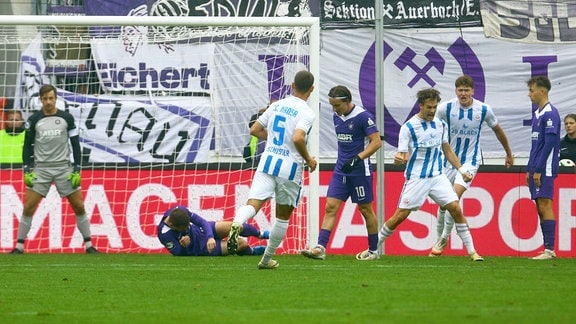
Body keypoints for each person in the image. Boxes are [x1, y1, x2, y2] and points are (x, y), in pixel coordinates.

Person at [376, 88, 483, 261]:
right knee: (400, 216)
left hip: (437, 176)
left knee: (455, 208)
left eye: (434, 107)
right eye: (429, 107)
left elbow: (447, 150)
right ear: (421, 106)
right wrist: (398, 158)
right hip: (417, 177)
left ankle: (473, 252)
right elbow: (402, 154)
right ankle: (373, 250)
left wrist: (462, 170)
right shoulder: (409, 127)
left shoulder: (441, 124)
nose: (432, 111)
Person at [228, 70, 317, 269]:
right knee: (282, 217)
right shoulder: (307, 112)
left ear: (292, 85)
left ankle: (237, 222)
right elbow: (297, 137)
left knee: (253, 204)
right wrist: (309, 159)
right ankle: (266, 260)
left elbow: (254, 129)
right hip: (290, 168)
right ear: (311, 89)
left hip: (267, 162)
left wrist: (276, 141)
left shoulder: (276, 105)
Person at [429, 75, 514, 256]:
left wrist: (508, 153)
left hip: (470, 161)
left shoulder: (483, 109)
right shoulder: (446, 108)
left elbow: (498, 130)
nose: (463, 93)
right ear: (456, 91)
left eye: (467, 90)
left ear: (473, 91)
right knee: (444, 205)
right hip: (447, 161)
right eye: (460, 90)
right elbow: (431, 126)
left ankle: (444, 237)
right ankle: (439, 239)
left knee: (453, 197)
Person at [9, 84, 99, 254]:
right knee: (29, 206)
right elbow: (27, 146)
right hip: (41, 168)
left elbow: (75, 144)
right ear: (41, 100)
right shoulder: (34, 120)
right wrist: (27, 169)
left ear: (55, 98)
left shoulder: (67, 118)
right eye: (45, 99)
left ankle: (89, 245)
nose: (48, 102)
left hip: (63, 168)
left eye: (51, 98)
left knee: (79, 205)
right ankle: (19, 246)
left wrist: (76, 169)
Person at [300, 85, 382, 261]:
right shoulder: (337, 116)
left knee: (365, 209)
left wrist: (357, 159)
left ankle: (374, 251)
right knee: (330, 206)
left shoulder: (363, 117)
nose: (334, 109)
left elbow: (376, 142)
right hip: (341, 170)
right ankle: (320, 247)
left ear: (347, 101)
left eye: (337, 105)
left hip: (360, 170)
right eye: (332, 105)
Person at [526, 76, 561, 260]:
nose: (529, 94)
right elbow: (536, 145)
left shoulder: (550, 113)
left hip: (545, 168)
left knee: (545, 204)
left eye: (532, 90)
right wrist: (529, 168)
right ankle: (547, 248)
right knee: (540, 205)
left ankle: (550, 249)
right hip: (536, 167)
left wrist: (538, 168)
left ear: (543, 91)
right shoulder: (538, 114)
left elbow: (549, 144)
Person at [157, 205, 269, 256]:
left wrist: (210, 236)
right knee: (241, 244)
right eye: (184, 228)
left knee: (236, 226)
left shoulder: (179, 210)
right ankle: (252, 252)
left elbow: (202, 222)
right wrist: (184, 246)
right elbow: (177, 253)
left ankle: (260, 234)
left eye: (188, 226)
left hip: (203, 231)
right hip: (201, 247)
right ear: (172, 225)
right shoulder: (164, 234)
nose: (187, 229)